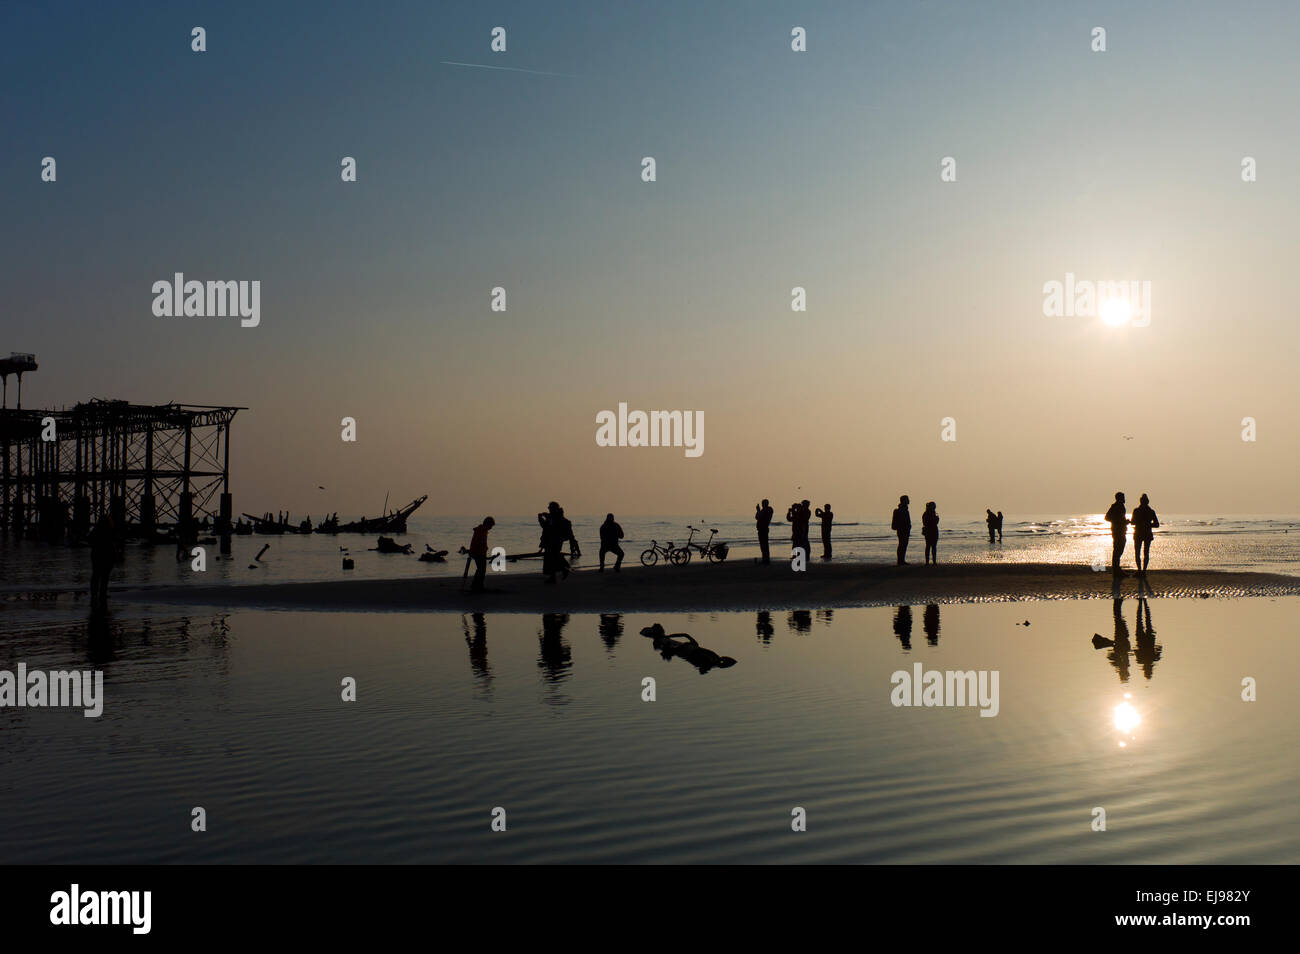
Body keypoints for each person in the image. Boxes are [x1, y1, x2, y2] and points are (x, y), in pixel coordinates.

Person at [538, 502, 580, 584]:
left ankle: (564, 570)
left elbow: (547, 527)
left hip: (553, 541)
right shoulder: (556, 517)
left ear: (553, 508)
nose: (548, 509)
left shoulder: (554, 518)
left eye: (549, 507)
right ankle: (553, 577)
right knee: (552, 558)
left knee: (552, 557)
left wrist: (541, 519)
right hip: (556, 540)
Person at [88, 513, 116, 610]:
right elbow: (114, 542)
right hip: (107, 555)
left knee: (96, 575)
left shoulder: (96, 530)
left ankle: (94, 594)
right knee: (105, 576)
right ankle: (102, 594)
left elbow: (89, 540)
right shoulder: (110, 530)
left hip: (96, 554)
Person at [1131, 493, 1159, 576]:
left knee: (1140, 552)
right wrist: (1147, 524)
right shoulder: (1148, 511)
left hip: (1142, 533)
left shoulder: (1138, 511)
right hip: (1143, 533)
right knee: (1143, 552)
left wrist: (1146, 524)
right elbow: (1156, 524)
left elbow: (1157, 524)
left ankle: (1142, 571)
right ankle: (1141, 571)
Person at [467, 516, 495, 592]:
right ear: (487, 524)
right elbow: (475, 542)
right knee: (481, 570)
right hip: (478, 553)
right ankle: (477, 586)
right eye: (490, 526)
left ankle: (477, 585)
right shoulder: (480, 531)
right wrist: (473, 552)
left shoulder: (484, 531)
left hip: (481, 553)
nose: (491, 528)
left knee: (481, 570)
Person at [1104, 491, 1128, 574]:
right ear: (1119, 498)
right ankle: (1116, 570)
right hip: (1117, 531)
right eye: (1123, 497)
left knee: (1119, 549)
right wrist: (1120, 522)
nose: (1124, 499)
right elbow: (1107, 517)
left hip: (1120, 530)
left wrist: (1124, 521)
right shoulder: (1115, 506)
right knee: (1118, 549)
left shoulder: (1120, 506)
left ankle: (1117, 568)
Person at [891, 495, 911, 565]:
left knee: (903, 545)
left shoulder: (905, 509)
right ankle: (900, 560)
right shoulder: (901, 510)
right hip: (902, 530)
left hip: (904, 530)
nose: (909, 500)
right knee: (902, 545)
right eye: (907, 499)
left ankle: (901, 560)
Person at [755, 499, 774, 564]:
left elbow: (760, 516)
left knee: (764, 545)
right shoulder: (763, 510)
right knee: (763, 545)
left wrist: (758, 510)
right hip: (761, 529)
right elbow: (757, 517)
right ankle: (765, 559)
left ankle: (766, 560)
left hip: (764, 529)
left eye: (763, 503)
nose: (763, 505)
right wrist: (758, 511)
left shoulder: (768, 509)